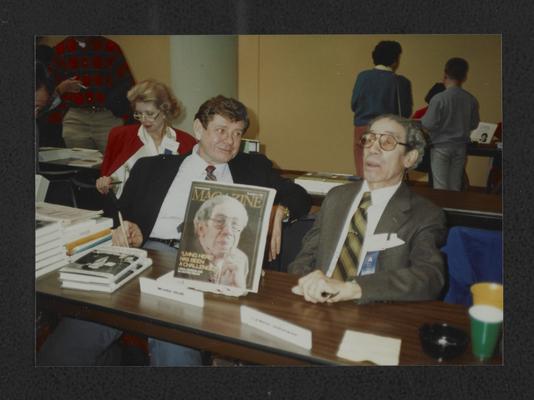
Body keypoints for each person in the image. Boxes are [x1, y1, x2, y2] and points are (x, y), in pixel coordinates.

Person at [37, 95, 311, 366]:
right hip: (150, 258)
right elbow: (121, 215)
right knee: (81, 330)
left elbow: (300, 195)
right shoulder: (151, 168)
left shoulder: (253, 168)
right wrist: (131, 230)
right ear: (198, 129)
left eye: (237, 133)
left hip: (213, 267)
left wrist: (280, 210)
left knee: (173, 333)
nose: (229, 141)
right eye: (221, 130)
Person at [289, 114, 447, 305]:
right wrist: (308, 283)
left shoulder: (425, 214)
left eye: (387, 142)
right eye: (369, 139)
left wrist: (352, 289)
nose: (373, 148)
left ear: (409, 158)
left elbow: (429, 277)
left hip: (373, 310)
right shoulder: (336, 197)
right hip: (316, 303)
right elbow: (306, 256)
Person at [95, 79, 197, 198]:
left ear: (165, 111)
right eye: (138, 113)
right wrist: (106, 183)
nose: (144, 119)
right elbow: (109, 177)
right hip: (127, 209)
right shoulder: (121, 136)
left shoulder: (186, 142)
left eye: (150, 114)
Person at [48, 36, 135, 152]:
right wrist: (62, 88)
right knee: (79, 165)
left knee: (113, 163)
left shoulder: (110, 48)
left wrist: (112, 103)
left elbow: (127, 84)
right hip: (75, 118)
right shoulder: (60, 50)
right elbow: (47, 90)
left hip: (107, 116)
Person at [351, 41, 413, 176]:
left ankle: (365, 194)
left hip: (362, 128)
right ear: (395, 61)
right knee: (382, 173)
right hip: (387, 130)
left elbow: (354, 103)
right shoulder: (401, 82)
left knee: (363, 172)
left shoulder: (363, 76)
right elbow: (405, 111)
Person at [421, 57, 480, 191]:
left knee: (440, 186)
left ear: (445, 74)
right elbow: (474, 124)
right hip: (460, 147)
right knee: (455, 186)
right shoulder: (471, 99)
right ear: (464, 77)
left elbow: (428, 124)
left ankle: (443, 212)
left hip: (441, 146)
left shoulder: (438, 99)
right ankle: (455, 211)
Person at [188, 195, 249, 289]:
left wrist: (238, 287)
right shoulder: (187, 254)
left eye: (235, 224)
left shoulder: (241, 259)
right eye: (219, 221)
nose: (228, 231)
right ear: (201, 228)